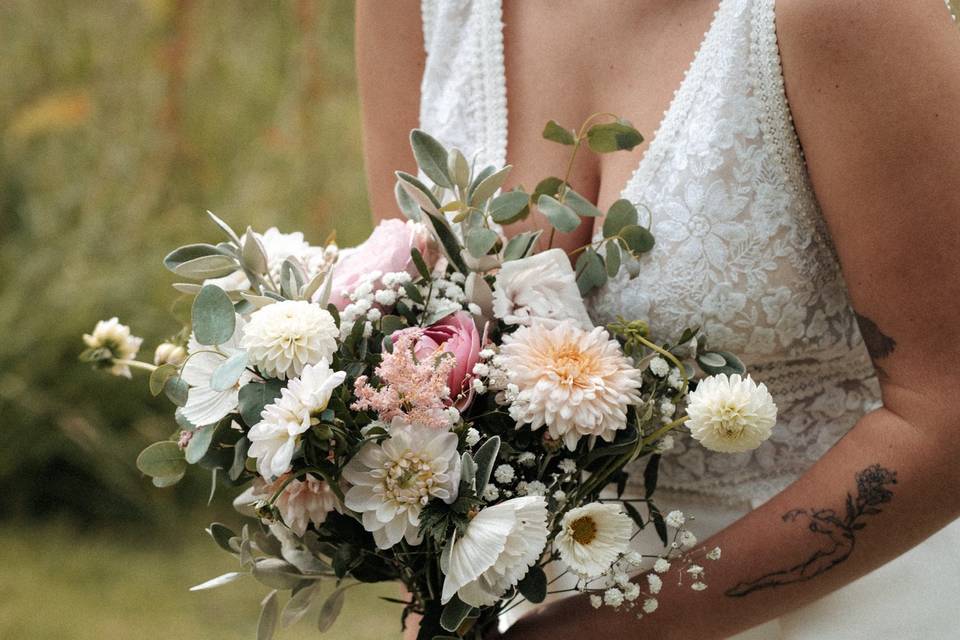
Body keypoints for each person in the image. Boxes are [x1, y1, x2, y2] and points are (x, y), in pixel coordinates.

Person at [356, 0, 960, 637]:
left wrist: (611, 629)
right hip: (526, 594)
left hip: (859, 595)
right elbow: (410, 345)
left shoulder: (843, 14)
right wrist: (437, 602)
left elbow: (944, 406)